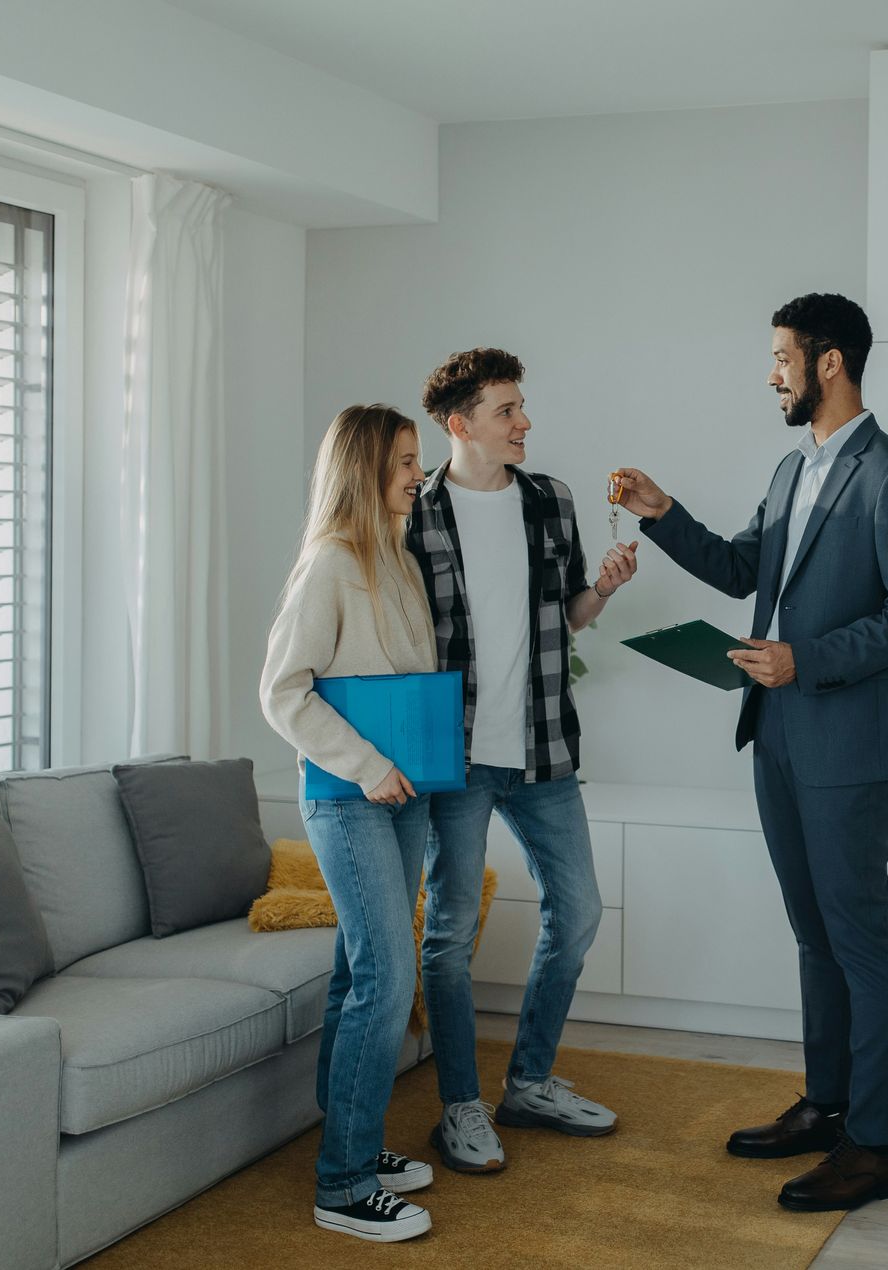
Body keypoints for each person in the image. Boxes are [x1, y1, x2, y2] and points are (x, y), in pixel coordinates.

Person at [611, 293, 888, 1212]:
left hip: (848, 743)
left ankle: (874, 1147)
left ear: (828, 362)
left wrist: (808, 659)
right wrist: (660, 510)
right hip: (778, 735)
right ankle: (827, 1107)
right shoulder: (793, 469)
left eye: (781, 358)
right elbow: (741, 568)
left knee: (859, 937)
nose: (772, 374)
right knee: (813, 935)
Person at [407, 348, 639, 1174]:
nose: (525, 423)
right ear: (460, 422)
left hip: (542, 748)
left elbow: (569, 617)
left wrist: (603, 587)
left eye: (522, 407)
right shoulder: (416, 512)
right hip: (456, 759)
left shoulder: (551, 500)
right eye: (507, 410)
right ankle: (461, 1107)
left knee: (576, 913)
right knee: (447, 932)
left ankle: (529, 1082)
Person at [260, 404, 440, 1242]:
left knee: (355, 972)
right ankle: (344, 1184)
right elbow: (282, 692)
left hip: (400, 796)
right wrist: (369, 767)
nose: (418, 472)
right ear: (366, 468)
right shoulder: (330, 564)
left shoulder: (396, 558)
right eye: (405, 461)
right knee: (385, 979)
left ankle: (350, 1141)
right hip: (345, 796)